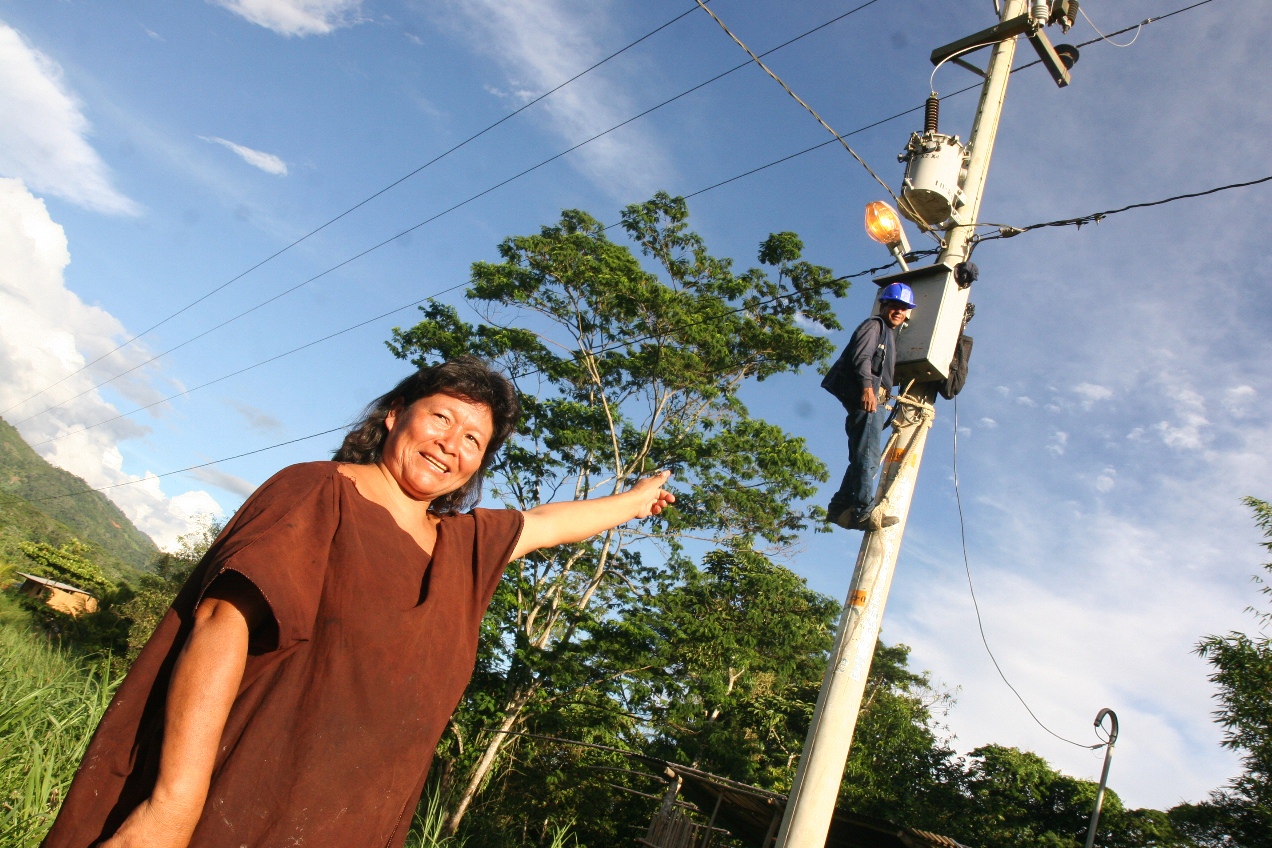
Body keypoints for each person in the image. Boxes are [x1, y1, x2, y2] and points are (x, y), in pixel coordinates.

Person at [42, 356, 674, 848]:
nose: (451, 444)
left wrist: (637, 500)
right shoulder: (318, 493)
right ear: (396, 414)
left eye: (474, 440)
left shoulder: (463, 550)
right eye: (442, 418)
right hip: (233, 810)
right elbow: (219, 625)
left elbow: (546, 524)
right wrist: (171, 807)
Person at [821, 282, 915, 531]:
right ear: (884, 305)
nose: (898, 311)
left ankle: (839, 508)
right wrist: (867, 388)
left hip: (875, 399)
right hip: (869, 398)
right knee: (868, 458)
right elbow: (861, 357)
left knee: (862, 458)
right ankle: (863, 512)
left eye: (904, 308)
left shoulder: (889, 335)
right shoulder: (874, 325)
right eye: (894, 305)